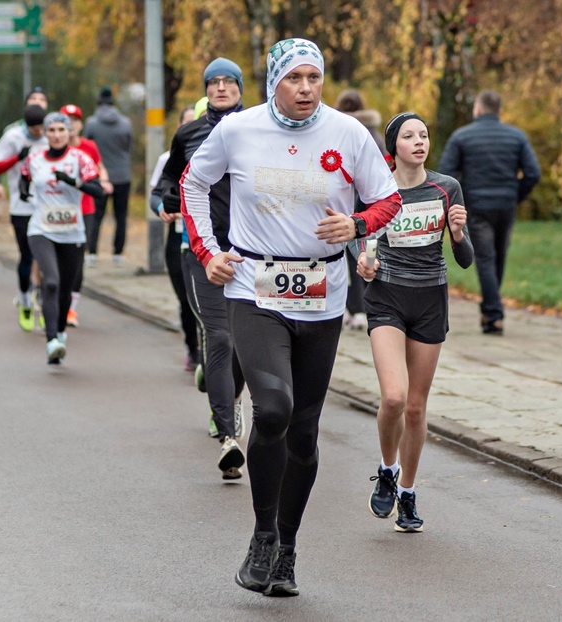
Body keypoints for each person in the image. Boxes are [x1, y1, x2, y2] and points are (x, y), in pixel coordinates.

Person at [181, 38, 402, 596]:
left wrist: (356, 225)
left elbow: (388, 199)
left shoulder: (347, 133)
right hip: (255, 287)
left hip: (322, 292)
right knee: (273, 409)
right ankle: (262, 536)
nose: (305, 89)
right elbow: (193, 183)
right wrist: (208, 252)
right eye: (294, 79)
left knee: (303, 432)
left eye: (314, 78)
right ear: (273, 82)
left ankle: (287, 548)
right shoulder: (238, 129)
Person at [352, 112, 474, 533]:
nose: (419, 142)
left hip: (429, 301)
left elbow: (465, 259)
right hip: (386, 297)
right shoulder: (376, 191)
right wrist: (363, 260)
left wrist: (457, 234)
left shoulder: (446, 188)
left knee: (417, 407)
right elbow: (358, 235)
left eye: (424, 134)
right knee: (393, 398)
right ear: (394, 147)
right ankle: (387, 468)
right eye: (409, 136)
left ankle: (407, 491)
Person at [160, 58, 251, 480]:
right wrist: (167, 200)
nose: (220, 87)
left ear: (240, 87)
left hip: (252, 252)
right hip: (205, 251)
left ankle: (230, 400)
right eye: (213, 82)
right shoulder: (188, 134)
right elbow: (167, 180)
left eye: (228, 81)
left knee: (244, 342)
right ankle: (228, 437)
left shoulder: (258, 129)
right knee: (219, 336)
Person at [438, 89, 540, 335]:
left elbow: (446, 173)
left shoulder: (462, 136)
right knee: (498, 256)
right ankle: (490, 311)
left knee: (485, 258)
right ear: (499, 111)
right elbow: (533, 173)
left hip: (477, 206)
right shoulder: (517, 136)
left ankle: (493, 314)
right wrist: (516, 195)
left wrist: (460, 199)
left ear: (478, 109)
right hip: (506, 205)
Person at [19, 112, 105, 364]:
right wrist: (23, 192)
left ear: (69, 132)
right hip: (41, 230)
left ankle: (60, 333)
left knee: (66, 289)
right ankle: (51, 341)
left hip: (72, 232)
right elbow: (24, 177)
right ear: (45, 133)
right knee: (51, 282)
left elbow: (98, 190)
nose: (56, 135)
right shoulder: (35, 158)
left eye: (61, 130)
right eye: (51, 130)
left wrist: (73, 182)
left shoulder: (80, 158)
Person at [148, 105, 201, 374]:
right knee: (186, 298)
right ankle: (193, 349)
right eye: (187, 123)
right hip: (179, 238)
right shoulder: (168, 158)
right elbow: (156, 194)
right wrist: (162, 208)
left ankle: (211, 352)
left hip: (211, 239)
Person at [0, 104, 48, 331]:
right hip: (22, 207)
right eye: (34, 129)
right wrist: (17, 157)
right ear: (27, 126)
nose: (39, 132)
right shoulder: (13, 137)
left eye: (41, 128)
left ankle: (45, 303)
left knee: (46, 260)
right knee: (27, 255)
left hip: (47, 207)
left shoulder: (51, 135)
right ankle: (25, 300)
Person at [335, 89, 388, 331]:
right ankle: (365, 307)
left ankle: (351, 306)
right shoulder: (373, 133)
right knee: (368, 254)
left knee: (347, 256)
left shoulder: (337, 131)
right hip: (370, 205)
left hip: (345, 204)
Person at [61, 103, 114, 327]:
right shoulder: (55, 148)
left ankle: (71, 308)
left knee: (77, 258)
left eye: (75, 120)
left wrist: (104, 180)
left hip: (84, 209)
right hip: (58, 210)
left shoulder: (89, 147)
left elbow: (100, 167)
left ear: (81, 124)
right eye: (66, 120)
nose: (71, 125)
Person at [82, 86, 133, 266]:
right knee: (121, 217)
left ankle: (92, 253)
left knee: (96, 216)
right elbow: (129, 146)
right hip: (123, 175)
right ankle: (118, 254)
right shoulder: (126, 123)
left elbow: (86, 148)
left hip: (99, 176)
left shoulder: (91, 123)